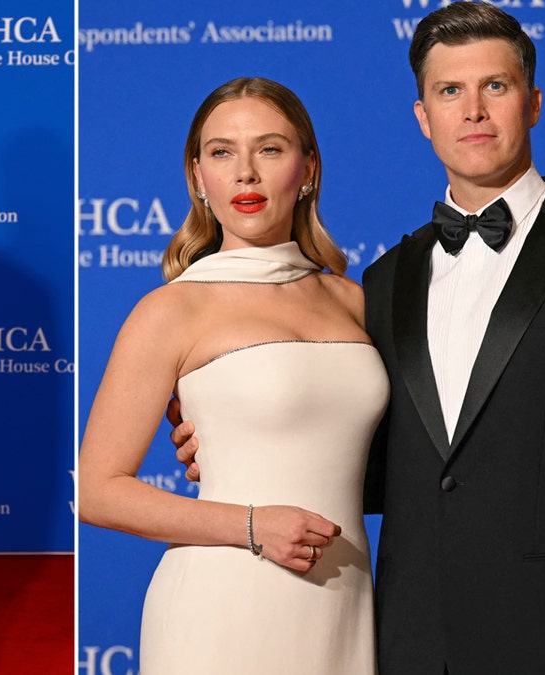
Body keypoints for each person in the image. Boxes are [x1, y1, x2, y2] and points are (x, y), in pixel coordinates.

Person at [175, 4, 545, 674]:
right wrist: (248, 436)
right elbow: (383, 462)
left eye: (494, 87)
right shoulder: (385, 280)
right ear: (423, 117)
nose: (472, 110)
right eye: (449, 91)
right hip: (403, 640)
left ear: (533, 104)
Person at [79, 77, 387, 674]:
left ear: (309, 169)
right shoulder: (171, 309)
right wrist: (251, 525)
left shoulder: (353, 300)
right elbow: (96, 489)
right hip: (223, 602)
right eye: (222, 152)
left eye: (269, 149)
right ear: (198, 176)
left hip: (344, 601)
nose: (245, 172)